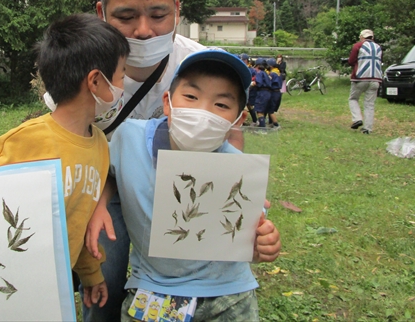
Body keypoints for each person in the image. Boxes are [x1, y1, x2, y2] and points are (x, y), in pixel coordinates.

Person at [85, 0, 263, 321]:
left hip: (183, 191)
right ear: (102, 15)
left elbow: (231, 138)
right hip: (109, 185)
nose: (144, 30)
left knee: (183, 263)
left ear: (177, 10)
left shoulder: (201, 66)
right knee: (103, 277)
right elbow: (60, 134)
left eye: (159, 14)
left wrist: (241, 203)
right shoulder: (83, 72)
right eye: (126, 16)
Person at [0, 13, 131, 309]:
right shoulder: (28, 140)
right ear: (95, 81)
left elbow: (78, 222)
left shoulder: (101, 146)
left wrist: (92, 274)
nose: (123, 84)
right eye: (121, 74)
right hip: (8, 286)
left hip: (53, 288)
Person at [87, 49, 281, 321]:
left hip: (228, 294)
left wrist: (265, 243)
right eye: (191, 97)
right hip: (153, 290)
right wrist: (101, 204)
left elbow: (251, 239)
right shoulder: (129, 138)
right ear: (168, 102)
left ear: (238, 121)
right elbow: (107, 172)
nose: (203, 112)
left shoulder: (238, 170)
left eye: (221, 105)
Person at [348, 29, 382, 134]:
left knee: (353, 99)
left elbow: (351, 61)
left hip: (361, 78)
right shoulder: (378, 47)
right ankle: (367, 129)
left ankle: (357, 119)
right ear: (372, 37)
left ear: (362, 37)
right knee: (369, 104)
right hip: (376, 78)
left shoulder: (358, 46)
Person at [253, 58, 272, 128]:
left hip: (262, 93)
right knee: (263, 110)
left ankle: (262, 128)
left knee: (259, 111)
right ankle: (261, 125)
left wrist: (252, 84)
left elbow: (259, 83)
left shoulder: (259, 73)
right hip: (268, 93)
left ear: (257, 66)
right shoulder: (265, 73)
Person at [239, 54, 257, 125]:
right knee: (241, 105)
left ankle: (255, 120)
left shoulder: (251, 69)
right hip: (241, 88)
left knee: (248, 105)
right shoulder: (240, 68)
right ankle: (240, 121)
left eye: (243, 59)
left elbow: (255, 78)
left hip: (249, 88)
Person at [266, 58, 282, 128]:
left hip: (274, 92)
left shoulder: (273, 74)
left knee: (270, 110)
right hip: (278, 92)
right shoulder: (277, 72)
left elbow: (270, 83)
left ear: (271, 66)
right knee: (270, 108)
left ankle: (276, 124)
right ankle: (271, 123)